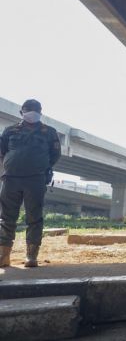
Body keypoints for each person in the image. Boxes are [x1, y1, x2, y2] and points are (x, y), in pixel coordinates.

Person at [0, 99, 60, 268]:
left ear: (41, 112)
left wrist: (42, 166)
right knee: (6, 218)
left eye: (35, 110)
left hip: (35, 179)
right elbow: (2, 152)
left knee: (34, 218)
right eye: (28, 110)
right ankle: (3, 256)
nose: (32, 112)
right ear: (21, 113)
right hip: (11, 179)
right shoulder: (9, 131)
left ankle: (31, 256)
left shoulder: (49, 132)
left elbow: (55, 155)